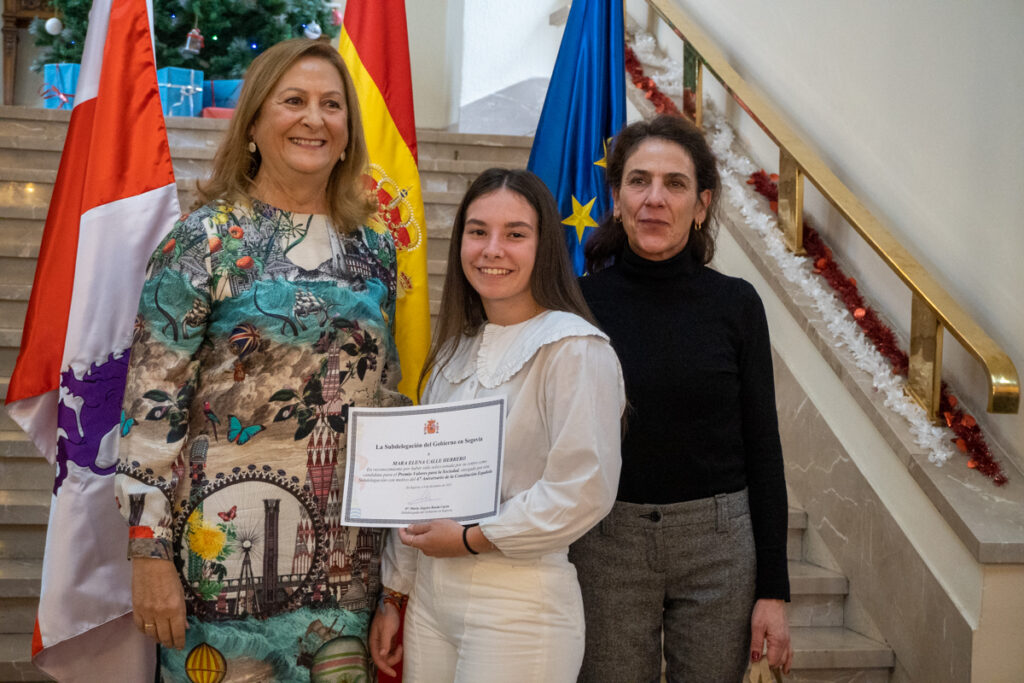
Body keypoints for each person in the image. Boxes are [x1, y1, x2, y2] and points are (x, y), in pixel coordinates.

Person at [114, 39, 405, 681]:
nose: (314, 119)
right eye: (293, 100)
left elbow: (384, 397)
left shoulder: (375, 249)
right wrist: (148, 553)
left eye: (332, 105)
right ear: (252, 122)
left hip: (347, 573)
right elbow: (151, 408)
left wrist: (396, 576)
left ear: (349, 132)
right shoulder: (204, 241)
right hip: (218, 567)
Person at [368, 168, 625, 682]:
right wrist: (396, 593)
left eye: (515, 234)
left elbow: (583, 490)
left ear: (544, 246)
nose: (492, 250)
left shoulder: (574, 348)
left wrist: (472, 537)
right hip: (431, 601)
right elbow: (423, 488)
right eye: (478, 231)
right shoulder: (453, 354)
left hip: (518, 604)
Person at [570, 114, 793, 682]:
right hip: (606, 542)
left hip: (719, 548)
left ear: (701, 205)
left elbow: (764, 448)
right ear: (616, 199)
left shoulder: (737, 305)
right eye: (638, 181)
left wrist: (774, 591)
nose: (655, 199)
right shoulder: (575, 304)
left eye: (675, 184)